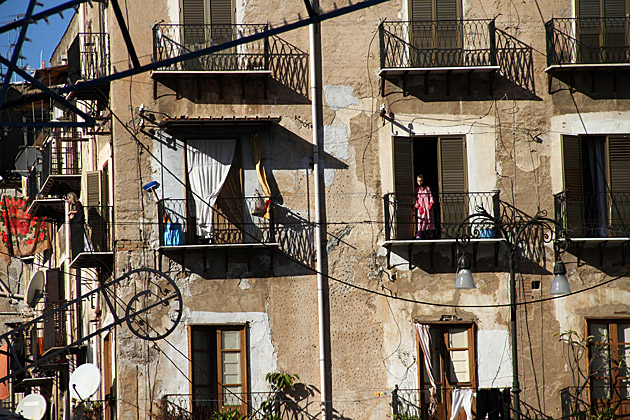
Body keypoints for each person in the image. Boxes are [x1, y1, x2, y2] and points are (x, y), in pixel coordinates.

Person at [414, 173, 435, 239]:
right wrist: (418, 207)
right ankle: (419, 235)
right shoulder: (416, 189)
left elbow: (431, 197)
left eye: (421, 181)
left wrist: (431, 204)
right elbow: (414, 199)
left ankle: (429, 235)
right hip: (421, 208)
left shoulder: (427, 189)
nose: (419, 182)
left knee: (429, 221)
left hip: (428, 208)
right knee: (421, 221)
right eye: (418, 181)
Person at [67, 192, 85, 259]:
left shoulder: (77, 203)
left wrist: (71, 212)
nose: (68, 200)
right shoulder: (73, 205)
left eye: (69, 198)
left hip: (78, 222)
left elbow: (78, 211)